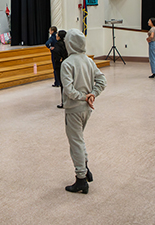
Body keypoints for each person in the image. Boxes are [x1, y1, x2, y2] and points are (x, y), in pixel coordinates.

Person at [61, 28, 106, 194]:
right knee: (79, 139)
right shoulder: (89, 61)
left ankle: (81, 179)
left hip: (74, 109)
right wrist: (92, 95)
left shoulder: (67, 63)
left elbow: (69, 90)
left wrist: (83, 96)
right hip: (87, 109)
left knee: (76, 143)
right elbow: (102, 80)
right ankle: (85, 169)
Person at [52, 30, 68, 109]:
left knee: (63, 84)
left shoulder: (57, 45)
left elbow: (57, 56)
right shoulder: (67, 44)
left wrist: (59, 59)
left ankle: (63, 102)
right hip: (67, 65)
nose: (56, 36)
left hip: (60, 66)